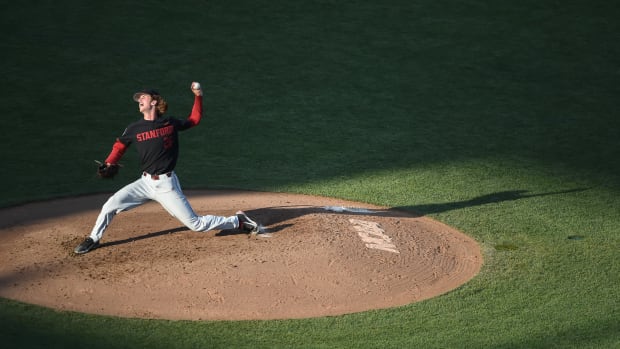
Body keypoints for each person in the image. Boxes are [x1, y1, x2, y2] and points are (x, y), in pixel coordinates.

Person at [74, 82, 260, 254]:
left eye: (143, 97)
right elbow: (119, 147)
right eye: (139, 98)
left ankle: (238, 221)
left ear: (154, 102)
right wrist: (108, 162)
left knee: (195, 224)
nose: (140, 100)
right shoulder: (134, 128)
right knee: (110, 205)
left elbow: (194, 119)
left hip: (166, 184)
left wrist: (198, 96)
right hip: (145, 182)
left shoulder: (169, 123)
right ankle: (94, 238)